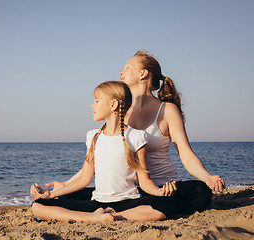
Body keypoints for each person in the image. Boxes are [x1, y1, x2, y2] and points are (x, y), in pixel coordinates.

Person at [48, 50, 226, 215]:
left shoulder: (167, 110)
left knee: (201, 192)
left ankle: (124, 212)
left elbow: (186, 154)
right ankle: (126, 211)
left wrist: (207, 177)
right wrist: (66, 184)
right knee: (65, 196)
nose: (121, 72)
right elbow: (99, 159)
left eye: (127, 67)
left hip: (163, 186)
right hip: (130, 191)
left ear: (143, 73)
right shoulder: (119, 112)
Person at [30, 81, 177, 222]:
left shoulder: (136, 136)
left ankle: (115, 215)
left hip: (128, 202)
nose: (92, 105)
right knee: (37, 206)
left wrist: (159, 192)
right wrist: (50, 195)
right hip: (97, 203)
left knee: (164, 205)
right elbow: (84, 179)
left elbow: (144, 182)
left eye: (97, 101)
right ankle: (92, 218)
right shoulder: (93, 136)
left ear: (113, 105)